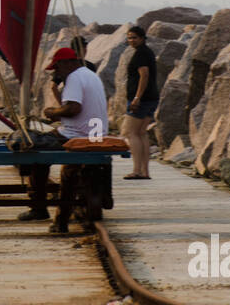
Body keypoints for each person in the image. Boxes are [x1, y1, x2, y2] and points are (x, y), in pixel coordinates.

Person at [20, 46, 109, 233]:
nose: (57, 72)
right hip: (95, 134)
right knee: (69, 172)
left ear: (67, 63)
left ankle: (39, 207)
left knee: (35, 153)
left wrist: (52, 112)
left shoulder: (74, 78)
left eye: (57, 68)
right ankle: (61, 219)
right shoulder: (90, 75)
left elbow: (73, 109)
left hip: (76, 134)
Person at [123, 24, 158, 179]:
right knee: (142, 133)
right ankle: (145, 171)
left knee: (131, 133)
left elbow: (144, 75)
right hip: (151, 98)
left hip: (141, 100)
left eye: (135, 38)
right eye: (129, 38)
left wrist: (137, 98)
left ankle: (137, 170)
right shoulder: (147, 52)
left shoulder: (141, 54)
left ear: (142, 38)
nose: (132, 40)